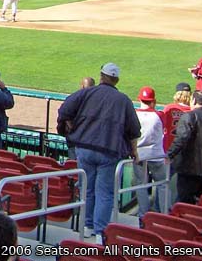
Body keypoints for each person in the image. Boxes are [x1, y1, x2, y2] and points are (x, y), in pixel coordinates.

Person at [56, 63, 140, 242]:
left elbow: (64, 110)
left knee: (88, 189)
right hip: (108, 151)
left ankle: (87, 226)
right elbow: (134, 130)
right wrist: (134, 151)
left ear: (101, 76)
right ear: (116, 80)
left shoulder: (87, 92)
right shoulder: (123, 100)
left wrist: (70, 124)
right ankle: (100, 231)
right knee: (105, 192)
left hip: (85, 148)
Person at [167, 90, 202, 204]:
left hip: (189, 168)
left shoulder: (189, 116)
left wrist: (169, 154)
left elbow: (181, 138)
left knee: (185, 201)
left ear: (194, 100)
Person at [133, 87, 168, 218]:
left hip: (139, 154)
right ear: (153, 100)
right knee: (162, 184)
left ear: (139, 99)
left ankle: (143, 214)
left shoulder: (134, 114)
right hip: (156, 154)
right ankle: (163, 214)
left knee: (140, 184)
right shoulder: (159, 115)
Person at [64, 77, 95, 161]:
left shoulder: (73, 98)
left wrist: (72, 128)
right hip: (87, 141)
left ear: (81, 86)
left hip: (78, 140)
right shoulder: (98, 101)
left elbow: (64, 114)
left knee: (74, 167)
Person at [162, 83, 192, 151]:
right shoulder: (193, 111)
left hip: (169, 146)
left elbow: (162, 126)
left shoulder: (169, 108)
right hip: (187, 148)